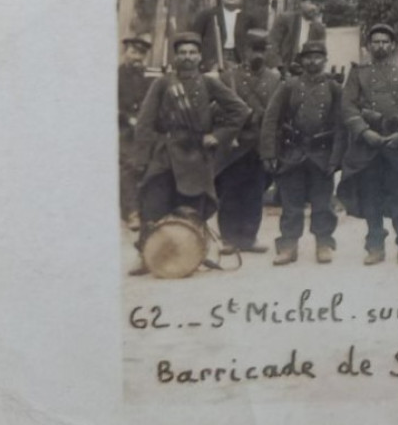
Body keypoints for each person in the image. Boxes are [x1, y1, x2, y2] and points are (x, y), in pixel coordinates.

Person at [129, 31, 250, 274]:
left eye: (192, 53)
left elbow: (240, 110)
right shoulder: (163, 83)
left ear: (199, 56)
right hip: (165, 154)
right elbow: (144, 122)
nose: (187, 57)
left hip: (196, 156)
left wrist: (217, 136)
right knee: (153, 204)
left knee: (192, 210)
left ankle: (189, 255)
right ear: (175, 56)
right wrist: (141, 159)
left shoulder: (209, 83)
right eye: (182, 53)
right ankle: (146, 256)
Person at [340, 23, 398, 266]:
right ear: (368, 46)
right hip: (368, 147)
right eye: (375, 41)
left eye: (385, 42)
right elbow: (348, 107)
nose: (380, 46)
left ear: (393, 46)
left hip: (397, 145)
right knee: (371, 197)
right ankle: (375, 246)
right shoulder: (358, 73)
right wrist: (365, 132)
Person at [261, 38, 343, 265]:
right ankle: (288, 246)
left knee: (323, 203)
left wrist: (337, 158)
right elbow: (271, 119)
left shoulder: (334, 88)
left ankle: (324, 243)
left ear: (325, 61)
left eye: (318, 57)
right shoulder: (288, 86)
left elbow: (341, 125)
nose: (313, 62)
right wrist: (268, 152)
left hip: (322, 154)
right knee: (291, 203)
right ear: (302, 60)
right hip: (292, 153)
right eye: (308, 57)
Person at [215, 29, 281, 255]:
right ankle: (229, 238)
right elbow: (220, 112)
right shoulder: (229, 77)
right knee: (230, 192)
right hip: (235, 145)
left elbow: (276, 112)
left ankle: (249, 237)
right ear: (244, 50)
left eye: (262, 49)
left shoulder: (274, 78)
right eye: (254, 49)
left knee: (255, 193)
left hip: (259, 144)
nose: (258, 55)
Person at [118, 33, 154, 228]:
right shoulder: (116, 75)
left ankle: (145, 210)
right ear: (125, 53)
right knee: (129, 166)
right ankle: (131, 212)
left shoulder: (148, 78)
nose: (136, 57)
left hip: (144, 129)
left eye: (141, 54)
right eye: (133, 52)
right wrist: (127, 118)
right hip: (123, 128)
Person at [189, 0, 259, 72]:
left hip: (239, 57)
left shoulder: (248, 18)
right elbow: (195, 37)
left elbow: (255, 40)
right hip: (213, 56)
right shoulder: (208, 15)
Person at [266, 0, 327, 75]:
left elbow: (320, 53)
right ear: (301, 3)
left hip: (306, 70)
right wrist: (276, 66)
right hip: (283, 66)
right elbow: (273, 43)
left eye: (318, 5)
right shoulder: (286, 19)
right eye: (311, 3)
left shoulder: (319, 28)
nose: (315, 8)